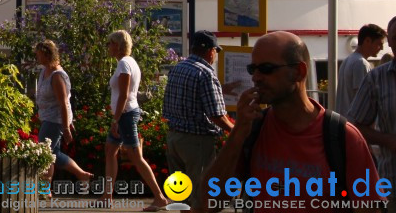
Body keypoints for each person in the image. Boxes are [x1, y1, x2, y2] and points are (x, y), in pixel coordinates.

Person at [208, 31, 384, 209]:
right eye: (252, 69)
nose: (256, 77)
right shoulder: (253, 130)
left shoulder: (343, 137)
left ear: (299, 72)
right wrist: (237, 133)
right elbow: (207, 203)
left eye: (266, 69)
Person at [161, 31, 234, 211]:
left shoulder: (178, 68)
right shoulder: (206, 74)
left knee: (182, 195)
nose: (216, 55)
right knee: (202, 194)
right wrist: (235, 130)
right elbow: (216, 115)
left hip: (174, 138)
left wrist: (223, 89)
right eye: (216, 51)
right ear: (210, 51)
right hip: (197, 142)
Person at [103, 29, 168, 210]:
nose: (108, 47)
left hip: (125, 115)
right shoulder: (128, 62)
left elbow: (124, 94)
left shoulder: (124, 64)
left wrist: (115, 120)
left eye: (110, 43)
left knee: (135, 156)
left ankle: (159, 197)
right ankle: (107, 196)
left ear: (117, 45)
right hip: (125, 113)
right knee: (110, 150)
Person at [346, 16, 396, 195]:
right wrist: (388, 140)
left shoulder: (352, 61)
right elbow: (354, 125)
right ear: (389, 41)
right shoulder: (374, 76)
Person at [34, 40, 93, 188]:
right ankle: (81, 174)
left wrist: (66, 128)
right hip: (46, 116)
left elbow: (63, 103)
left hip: (55, 119)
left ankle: (45, 189)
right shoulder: (44, 71)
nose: (37, 57)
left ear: (47, 55)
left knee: (45, 152)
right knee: (53, 153)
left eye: (39, 54)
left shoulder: (57, 76)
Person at [335, 23, 386, 115]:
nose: (382, 48)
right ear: (367, 41)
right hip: (353, 124)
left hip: (342, 121)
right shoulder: (361, 63)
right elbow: (362, 100)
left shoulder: (347, 60)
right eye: (379, 44)